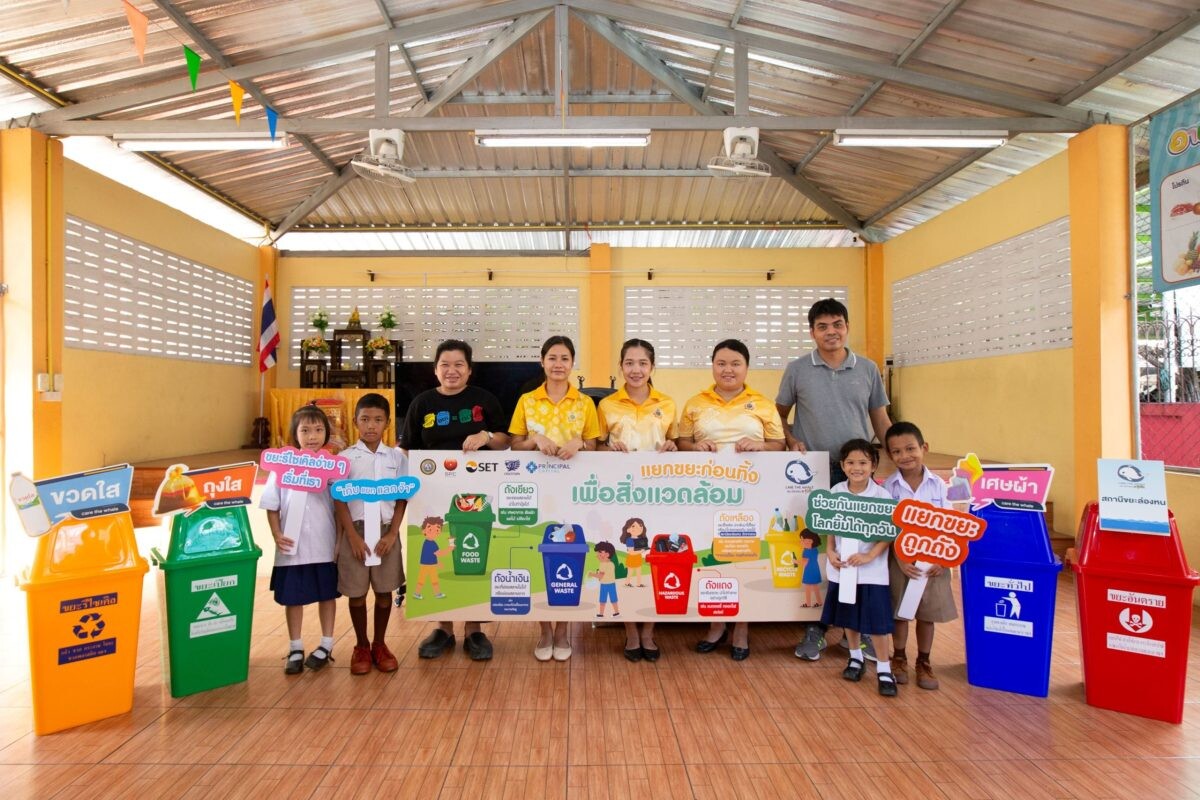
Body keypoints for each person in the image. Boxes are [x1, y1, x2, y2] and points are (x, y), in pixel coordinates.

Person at [778, 298, 891, 662]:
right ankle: (818, 627)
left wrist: (887, 462)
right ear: (812, 332)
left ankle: (854, 630)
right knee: (819, 549)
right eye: (823, 326)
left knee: (857, 551)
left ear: (847, 327)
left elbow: (880, 420)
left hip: (858, 472)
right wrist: (791, 438)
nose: (831, 331)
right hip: (813, 473)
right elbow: (777, 415)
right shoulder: (797, 370)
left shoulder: (869, 369)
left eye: (837, 324)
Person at [399, 339, 511, 661]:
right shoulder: (422, 404)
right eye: (445, 364)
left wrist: (486, 436)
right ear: (435, 369)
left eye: (459, 364)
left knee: (474, 553)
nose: (452, 371)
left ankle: (474, 629)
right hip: (431, 494)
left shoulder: (484, 400)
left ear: (469, 370)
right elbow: (407, 450)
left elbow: (505, 442)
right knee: (435, 554)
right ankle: (444, 628)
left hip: (476, 494)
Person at [679, 339, 784, 660]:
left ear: (746, 368)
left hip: (749, 495)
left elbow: (779, 444)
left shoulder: (762, 404)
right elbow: (682, 441)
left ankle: (741, 626)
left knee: (743, 557)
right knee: (710, 557)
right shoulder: (695, 403)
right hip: (703, 495)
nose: (728, 369)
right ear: (712, 365)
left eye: (735, 363)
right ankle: (715, 622)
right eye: (721, 363)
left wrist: (761, 447)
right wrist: (694, 448)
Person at [511, 335, 601, 661]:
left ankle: (562, 630)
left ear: (572, 363)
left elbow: (597, 446)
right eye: (552, 358)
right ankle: (543, 631)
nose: (558, 364)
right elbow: (514, 444)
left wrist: (580, 443)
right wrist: (535, 438)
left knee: (568, 557)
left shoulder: (585, 403)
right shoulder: (527, 401)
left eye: (564, 358)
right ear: (542, 362)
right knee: (539, 556)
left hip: (574, 492)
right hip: (535, 490)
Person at [597, 339, 678, 662]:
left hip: (660, 493)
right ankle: (631, 631)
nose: (636, 370)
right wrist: (607, 450)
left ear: (652, 367)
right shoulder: (606, 406)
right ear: (621, 367)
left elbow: (677, 443)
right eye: (629, 363)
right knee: (627, 562)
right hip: (621, 494)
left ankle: (650, 632)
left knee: (655, 560)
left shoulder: (668, 403)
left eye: (643, 363)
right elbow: (595, 448)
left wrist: (673, 446)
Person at [261, 404, 339, 674]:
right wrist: (276, 533)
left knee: (326, 595)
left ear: (326, 433)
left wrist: (339, 541)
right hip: (291, 547)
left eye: (318, 430)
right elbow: (272, 505)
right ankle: (295, 646)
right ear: (295, 434)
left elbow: (340, 507)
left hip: (324, 544)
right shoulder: (280, 467)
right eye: (305, 430)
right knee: (293, 598)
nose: (312, 436)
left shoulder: (333, 468)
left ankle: (326, 644)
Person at [333, 393, 407, 676]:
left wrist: (393, 535)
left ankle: (379, 643)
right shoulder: (345, 459)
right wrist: (351, 536)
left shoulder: (396, 458)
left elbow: (402, 498)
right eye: (365, 420)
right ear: (355, 422)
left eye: (378, 420)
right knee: (357, 594)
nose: (371, 426)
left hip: (386, 534)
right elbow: (339, 501)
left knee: (384, 591)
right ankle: (361, 645)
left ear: (387, 423)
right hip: (358, 533)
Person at [882, 421, 957, 691]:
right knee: (900, 612)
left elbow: (953, 524)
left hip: (934, 561)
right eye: (897, 451)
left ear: (924, 448)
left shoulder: (942, 486)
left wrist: (942, 559)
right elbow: (886, 527)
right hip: (901, 561)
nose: (905, 456)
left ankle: (924, 661)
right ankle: (898, 657)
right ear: (890, 456)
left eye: (911, 448)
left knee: (928, 613)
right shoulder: (889, 488)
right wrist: (900, 559)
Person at [820, 439, 898, 697]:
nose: (857, 468)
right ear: (842, 465)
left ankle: (885, 669)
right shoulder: (836, 492)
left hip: (872, 571)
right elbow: (830, 526)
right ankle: (855, 658)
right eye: (851, 462)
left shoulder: (882, 495)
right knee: (848, 618)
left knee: (876, 622)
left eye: (863, 462)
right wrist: (830, 551)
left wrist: (871, 555)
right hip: (843, 568)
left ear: (873, 465)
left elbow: (888, 532)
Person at [591, 541, 620, 619]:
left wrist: (592, 574)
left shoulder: (603, 564)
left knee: (603, 600)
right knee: (612, 599)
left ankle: (601, 614)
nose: (598, 555)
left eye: (600, 553)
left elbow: (600, 575)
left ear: (607, 554)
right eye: (598, 553)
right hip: (611, 584)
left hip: (605, 584)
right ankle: (616, 612)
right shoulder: (611, 563)